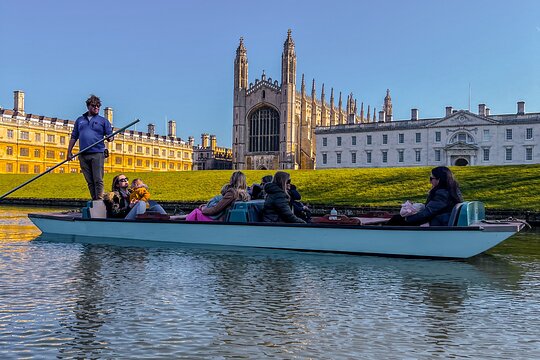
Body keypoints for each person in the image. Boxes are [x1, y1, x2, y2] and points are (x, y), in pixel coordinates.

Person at [67, 95, 113, 200]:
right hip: (83, 154)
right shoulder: (80, 120)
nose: (96, 108)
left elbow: (110, 136)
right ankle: (94, 200)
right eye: (94, 106)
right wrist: (69, 152)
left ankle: (100, 200)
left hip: (97, 153)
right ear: (88, 106)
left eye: (98, 106)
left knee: (98, 179)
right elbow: (74, 136)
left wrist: (110, 138)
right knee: (89, 181)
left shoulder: (103, 121)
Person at [388, 166, 464, 226]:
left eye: (431, 178)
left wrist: (407, 219)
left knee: (397, 219)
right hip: (442, 219)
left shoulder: (442, 193)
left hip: (439, 222)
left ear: (439, 180)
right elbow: (433, 208)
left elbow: (428, 212)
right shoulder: (453, 190)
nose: (430, 181)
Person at [186, 171, 251, 221]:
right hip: (223, 218)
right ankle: (178, 217)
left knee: (196, 212)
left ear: (233, 180)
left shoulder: (232, 193)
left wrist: (204, 209)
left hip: (218, 221)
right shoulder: (244, 194)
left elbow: (216, 209)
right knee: (195, 212)